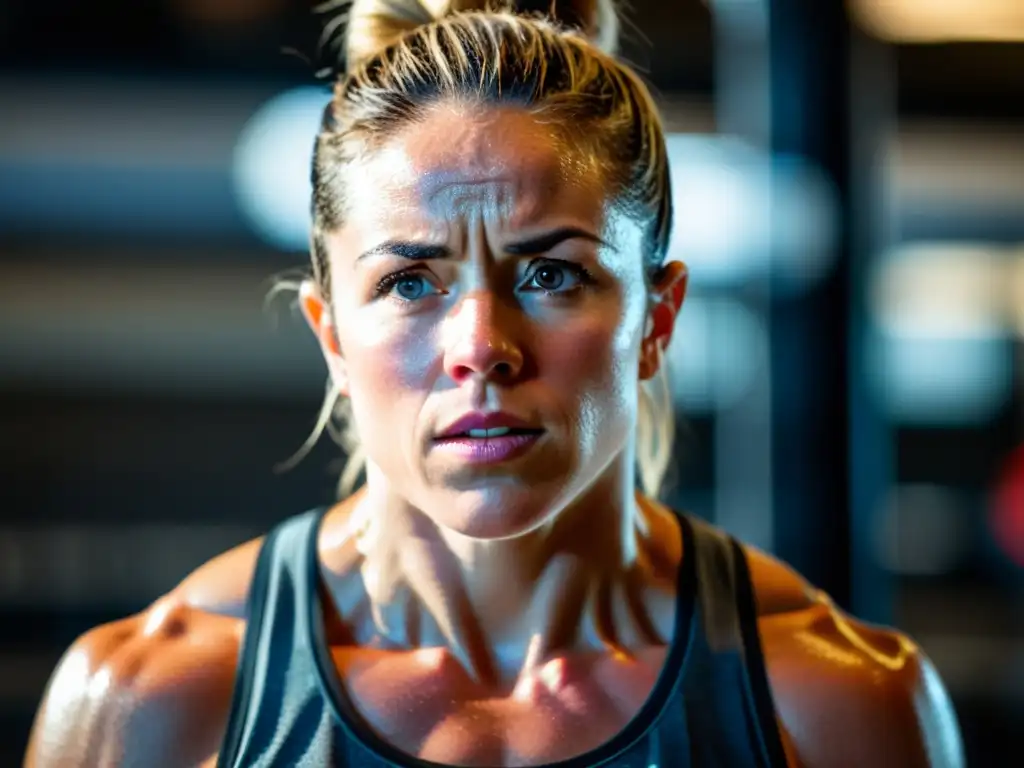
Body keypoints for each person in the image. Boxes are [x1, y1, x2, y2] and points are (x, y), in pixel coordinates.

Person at [24, 1, 964, 766]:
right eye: (409, 283)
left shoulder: (839, 701)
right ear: (333, 340)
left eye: (551, 274)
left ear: (658, 318)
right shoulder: (153, 701)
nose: (481, 345)